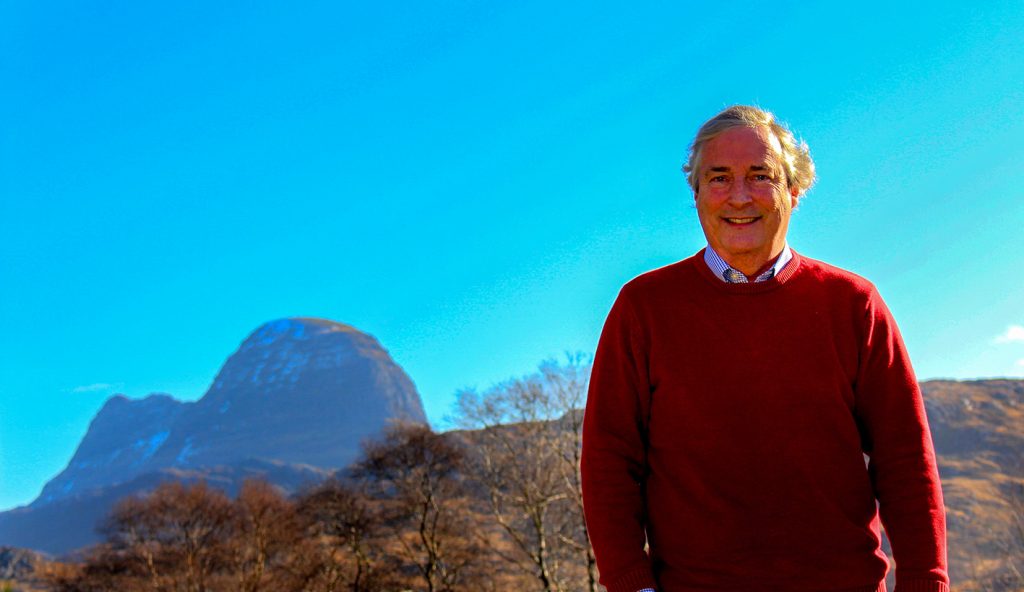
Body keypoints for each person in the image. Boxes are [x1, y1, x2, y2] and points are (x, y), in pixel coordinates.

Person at [580, 105, 948, 592]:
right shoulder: (642, 308)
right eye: (718, 178)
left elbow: (905, 458)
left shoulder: (854, 305)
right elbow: (609, 459)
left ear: (794, 191)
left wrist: (925, 582)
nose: (738, 196)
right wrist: (631, 583)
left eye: (760, 175)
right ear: (696, 196)